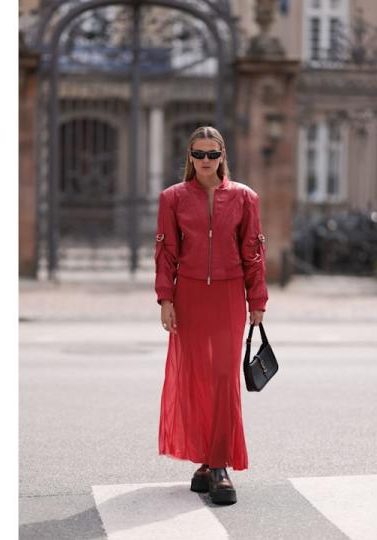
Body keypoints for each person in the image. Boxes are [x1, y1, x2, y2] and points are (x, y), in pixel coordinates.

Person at [155, 126, 268, 506]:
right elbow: (166, 252)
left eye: (212, 155)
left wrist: (258, 300)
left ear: (223, 157)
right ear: (189, 156)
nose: (205, 162)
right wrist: (165, 299)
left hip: (228, 295)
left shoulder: (244, 198)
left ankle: (219, 466)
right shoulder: (172, 198)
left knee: (222, 378)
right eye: (199, 154)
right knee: (194, 379)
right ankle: (205, 462)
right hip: (187, 295)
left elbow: (253, 251)